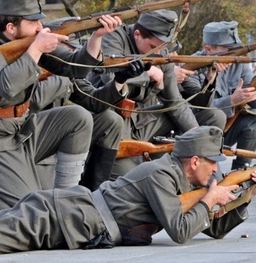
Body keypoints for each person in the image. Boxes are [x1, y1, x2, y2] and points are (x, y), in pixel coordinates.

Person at [0, 126, 256, 260]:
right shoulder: (162, 175)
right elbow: (182, 231)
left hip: (70, 218)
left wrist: (244, 196)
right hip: (64, 215)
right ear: (193, 162)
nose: (218, 170)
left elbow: (211, 231)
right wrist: (211, 199)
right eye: (212, 162)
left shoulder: (184, 182)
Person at [0, 0, 122, 207]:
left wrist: (96, 37)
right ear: (11, 27)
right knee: (26, 209)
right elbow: (7, 85)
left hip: (20, 130)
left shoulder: (30, 42)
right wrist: (36, 49)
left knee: (77, 117)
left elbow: (75, 67)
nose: (40, 28)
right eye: (33, 22)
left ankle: (66, 202)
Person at [91, 10, 224, 179]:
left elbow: (173, 101)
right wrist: (147, 72)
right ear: (137, 34)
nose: (158, 53)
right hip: (111, 120)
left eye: (162, 48)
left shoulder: (161, 51)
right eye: (153, 47)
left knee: (210, 119)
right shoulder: (114, 38)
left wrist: (197, 134)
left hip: (142, 121)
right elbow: (110, 76)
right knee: (128, 177)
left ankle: (212, 181)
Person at [181, 21, 256, 175]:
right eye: (228, 49)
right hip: (199, 134)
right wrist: (230, 101)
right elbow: (192, 109)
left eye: (236, 48)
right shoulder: (191, 66)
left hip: (227, 130)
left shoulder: (240, 64)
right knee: (215, 114)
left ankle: (241, 170)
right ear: (208, 49)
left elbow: (255, 103)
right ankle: (207, 169)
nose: (235, 52)